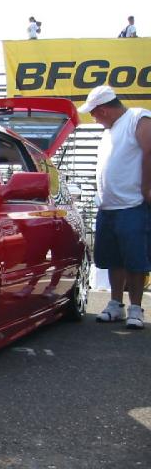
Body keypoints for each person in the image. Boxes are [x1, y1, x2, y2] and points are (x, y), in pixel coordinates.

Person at [78, 86, 151, 329]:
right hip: (108, 207)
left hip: (133, 205)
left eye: (94, 113)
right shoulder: (110, 131)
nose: (93, 118)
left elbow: (150, 150)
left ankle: (136, 308)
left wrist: (147, 189)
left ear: (104, 110)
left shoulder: (138, 117)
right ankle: (115, 304)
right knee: (113, 259)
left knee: (135, 259)